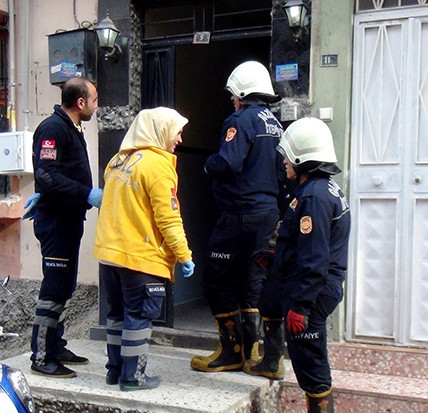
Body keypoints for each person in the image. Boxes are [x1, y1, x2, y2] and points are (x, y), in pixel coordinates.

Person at [190, 61, 284, 373]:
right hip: (267, 215)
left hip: (238, 215)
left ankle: (230, 350)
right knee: (253, 279)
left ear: (242, 93)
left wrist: (207, 165)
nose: (231, 99)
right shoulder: (275, 123)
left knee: (217, 279)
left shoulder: (240, 120)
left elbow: (227, 163)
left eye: (233, 94)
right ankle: (254, 352)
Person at [94, 107, 195, 391]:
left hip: (110, 255)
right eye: (176, 132)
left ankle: (114, 371)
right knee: (138, 317)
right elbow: (168, 218)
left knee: (115, 316)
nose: (180, 139)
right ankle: (133, 377)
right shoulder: (158, 166)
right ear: (160, 130)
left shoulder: (118, 160)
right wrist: (184, 255)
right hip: (140, 257)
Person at [273, 117, 351, 413]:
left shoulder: (314, 197)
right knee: (309, 363)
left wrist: (301, 306)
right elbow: (306, 246)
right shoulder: (321, 189)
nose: (284, 163)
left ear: (302, 158)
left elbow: (314, 257)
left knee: (311, 364)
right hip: (314, 287)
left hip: (312, 292)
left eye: (288, 156)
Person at [28, 76, 101, 378]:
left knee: (66, 285)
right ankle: (41, 356)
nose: (97, 106)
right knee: (55, 287)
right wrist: (86, 193)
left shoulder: (71, 128)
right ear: (81, 102)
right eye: (95, 100)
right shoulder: (53, 128)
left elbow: (56, 173)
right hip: (57, 221)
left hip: (68, 218)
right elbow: (46, 174)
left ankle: (55, 345)